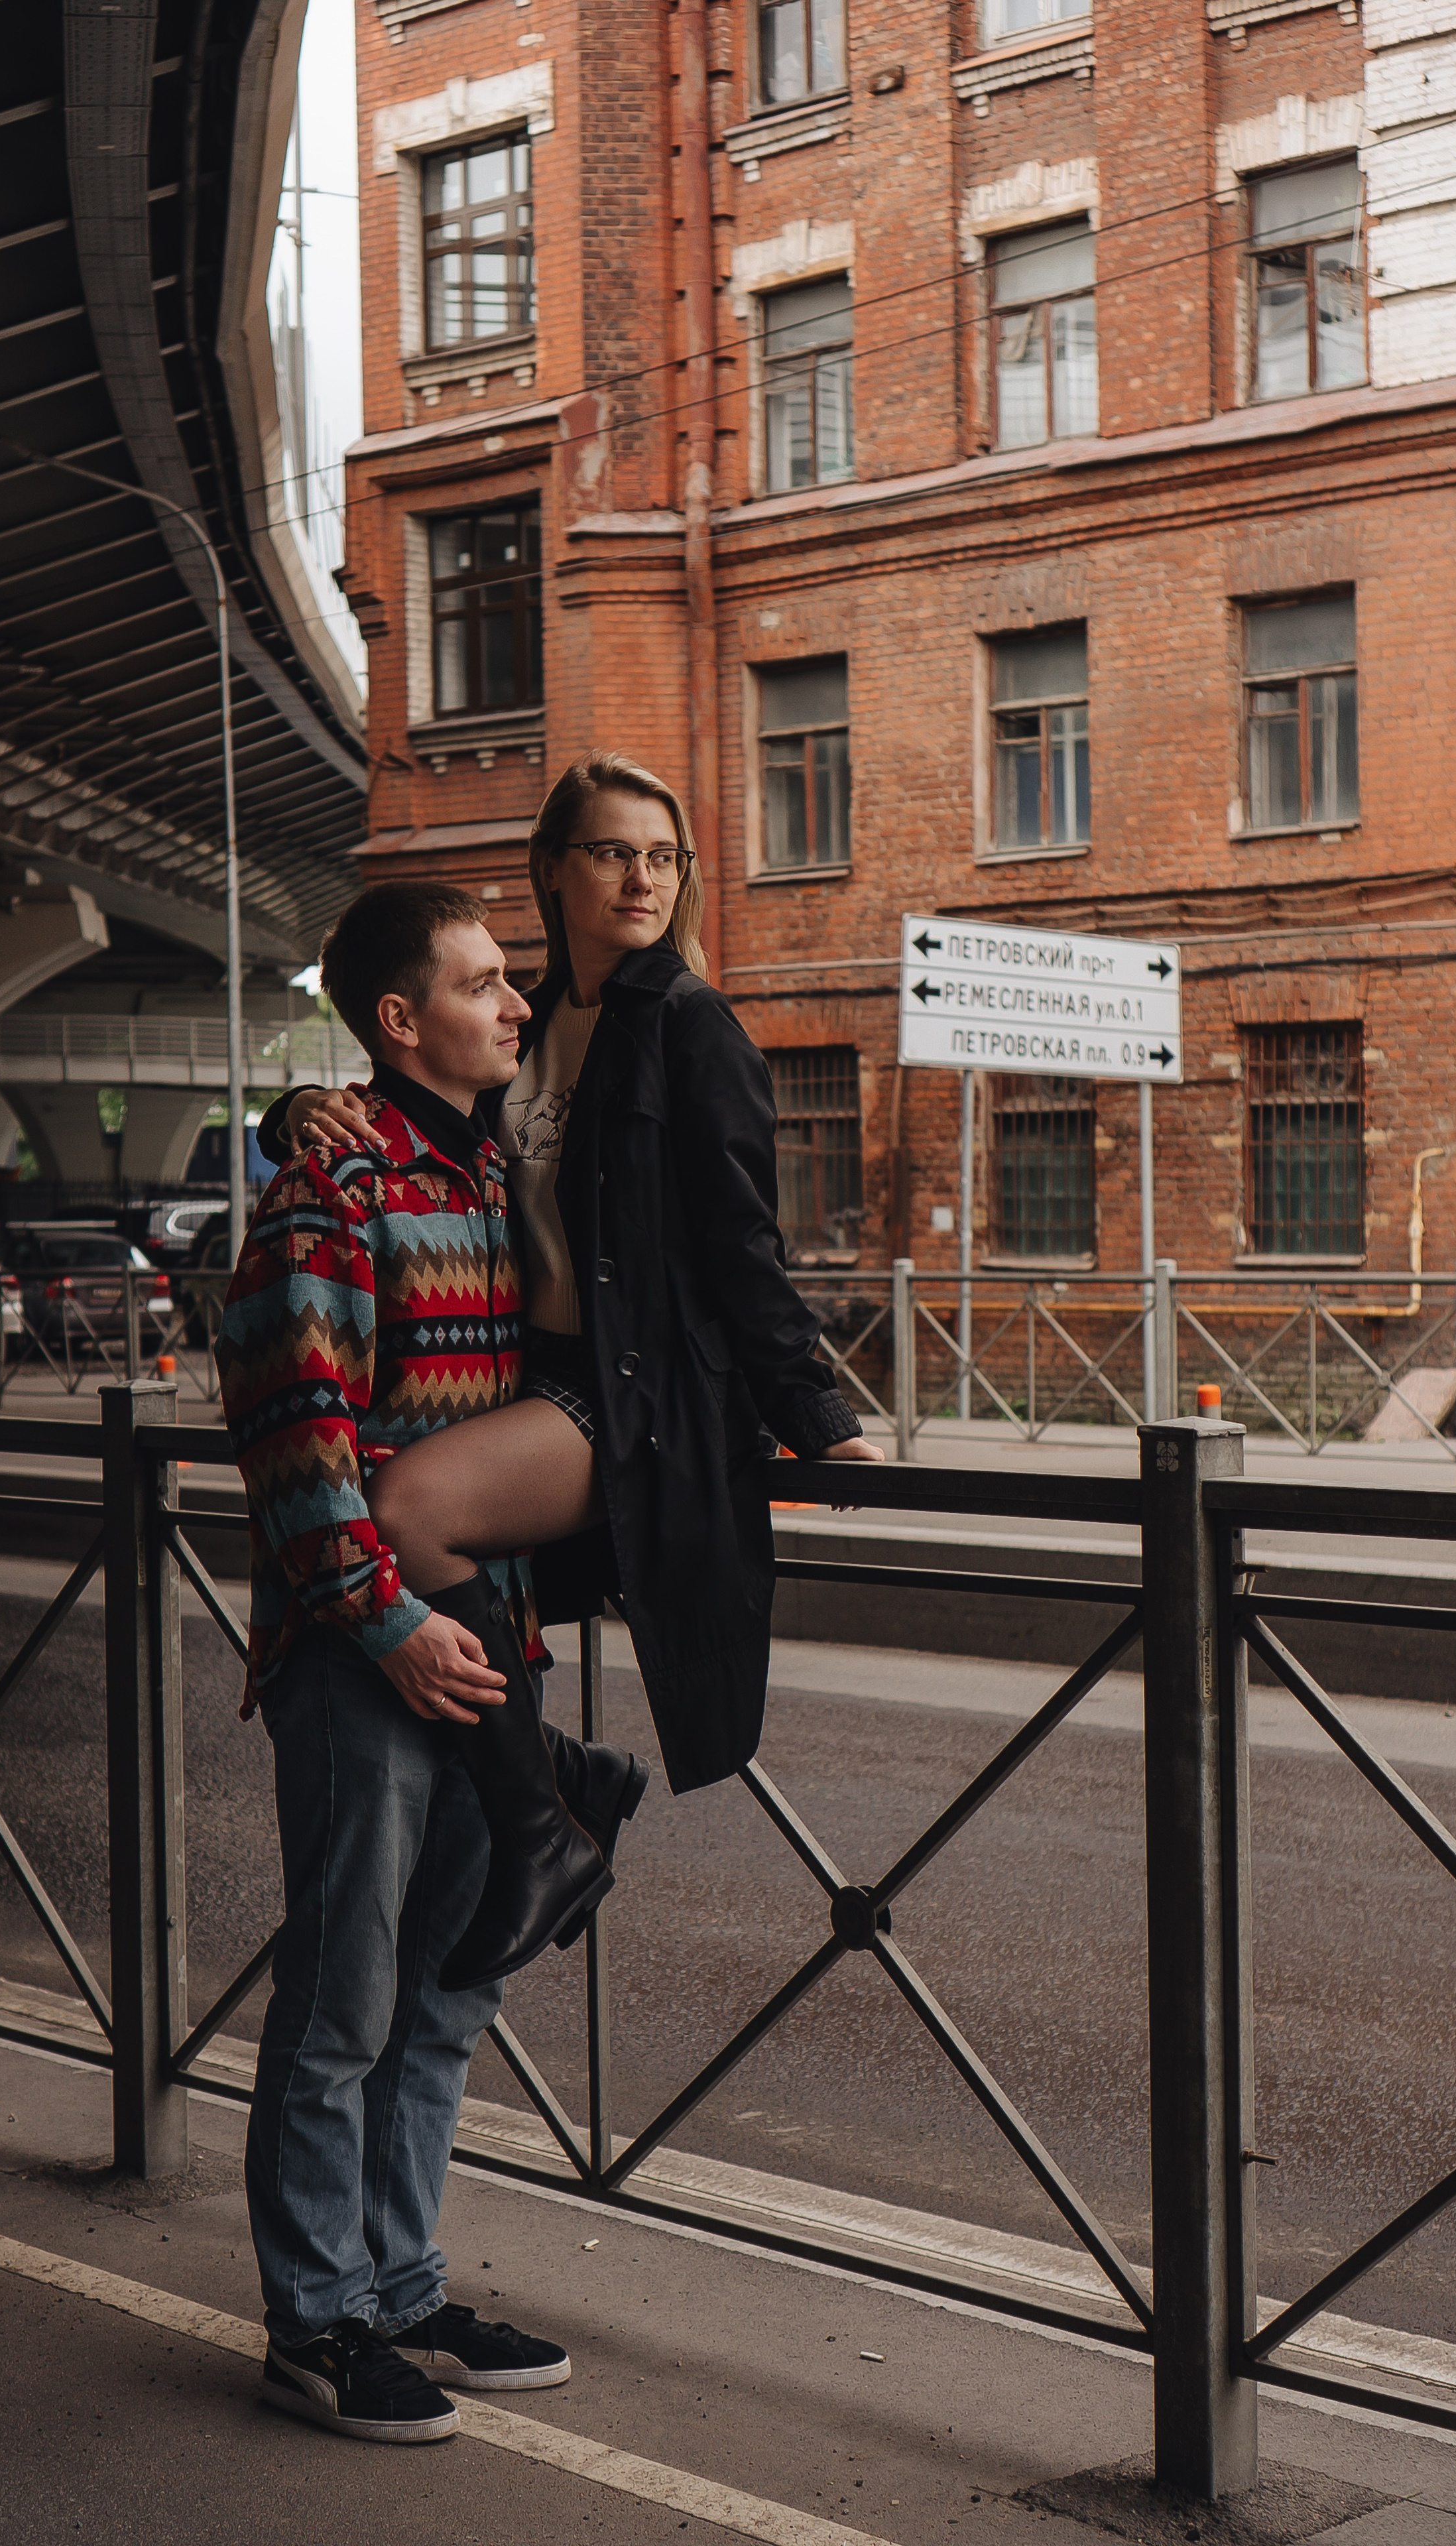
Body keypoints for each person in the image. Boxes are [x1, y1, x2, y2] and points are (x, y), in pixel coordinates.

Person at [266, 750, 884, 1990]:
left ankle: (545, 1814)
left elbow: (745, 1245)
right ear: (554, 870)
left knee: (410, 1509)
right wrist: (298, 1113)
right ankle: (558, 1787)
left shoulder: (692, 1026)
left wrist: (818, 1415)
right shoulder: (527, 1025)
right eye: (613, 851)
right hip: (525, 1381)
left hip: (632, 1394)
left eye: (663, 856)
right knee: (416, 1514)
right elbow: (417, 1109)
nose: (641, 876)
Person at [216, 881, 638, 2444]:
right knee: (343, 1996)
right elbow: (288, 1427)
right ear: (398, 1020)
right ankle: (311, 2320)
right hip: (363, 1650)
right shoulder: (332, 1186)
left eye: (512, 981)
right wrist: (384, 1624)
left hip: (495, 1644)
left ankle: (399, 2288)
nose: (514, 1004)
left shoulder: (487, 1165)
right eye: (479, 984)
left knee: (450, 1989)